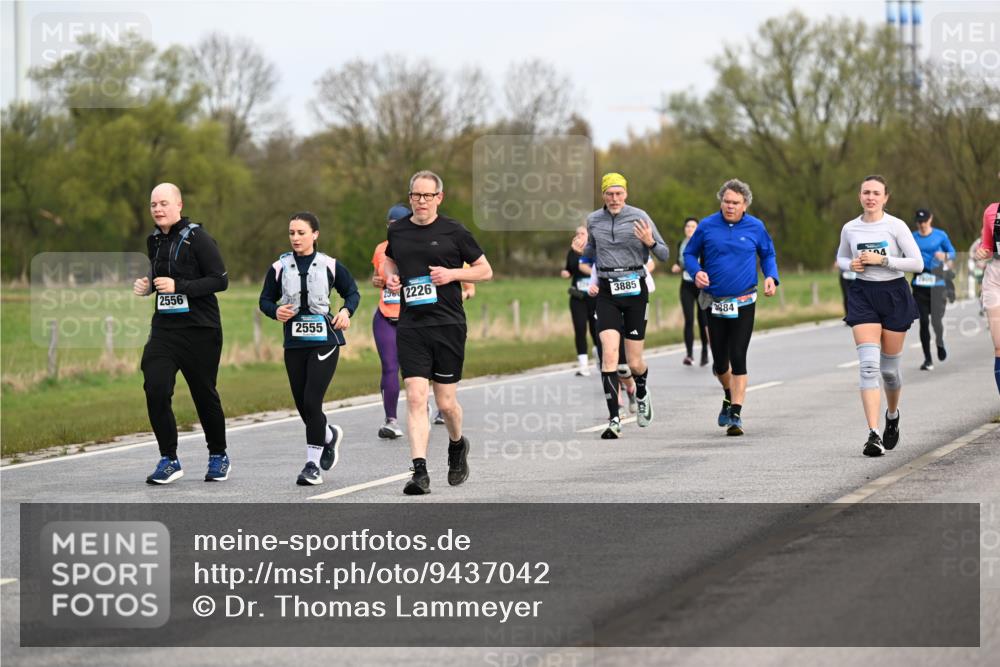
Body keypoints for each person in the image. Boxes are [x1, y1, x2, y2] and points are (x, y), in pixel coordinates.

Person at [382, 170, 493, 495]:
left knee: (446, 404)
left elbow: (485, 270)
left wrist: (452, 274)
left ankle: (457, 444)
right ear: (410, 198)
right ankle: (419, 472)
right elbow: (389, 261)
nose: (421, 201)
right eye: (416, 195)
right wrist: (390, 277)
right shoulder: (398, 231)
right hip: (411, 325)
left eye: (427, 196)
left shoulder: (454, 231)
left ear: (439, 198)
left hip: (447, 325)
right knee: (417, 397)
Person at [132, 183, 231, 484]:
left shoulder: (198, 238)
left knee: (204, 394)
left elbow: (220, 280)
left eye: (163, 203)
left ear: (179, 205)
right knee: (156, 388)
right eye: (153, 204)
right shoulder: (154, 240)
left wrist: (180, 287)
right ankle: (169, 459)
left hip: (200, 330)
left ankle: (218, 455)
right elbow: (159, 273)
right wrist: (147, 285)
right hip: (165, 330)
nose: (157, 209)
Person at [259, 212, 358, 485]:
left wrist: (346, 312)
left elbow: (352, 292)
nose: (295, 238)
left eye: (301, 233)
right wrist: (275, 311)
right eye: (291, 233)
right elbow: (265, 300)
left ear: (315, 235)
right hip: (294, 343)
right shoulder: (279, 267)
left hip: (325, 340)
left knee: (313, 401)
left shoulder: (329, 265)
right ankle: (328, 435)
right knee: (303, 404)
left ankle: (312, 465)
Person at [835, 175, 923, 456]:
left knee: (888, 371)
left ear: (885, 197)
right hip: (863, 295)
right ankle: (873, 434)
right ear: (860, 196)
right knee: (869, 367)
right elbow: (840, 258)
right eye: (866, 193)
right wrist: (851, 265)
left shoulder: (895, 226)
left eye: (876, 193)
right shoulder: (850, 228)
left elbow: (917, 263)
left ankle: (892, 415)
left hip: (894, 295)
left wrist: (883, 260)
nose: (870, 197)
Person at [684, 179, 779, 437]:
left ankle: (736, 413)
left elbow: (768, 254)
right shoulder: (707, 226)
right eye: (726, 201)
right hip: (714, 302)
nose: (730, 206)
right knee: (719, 363)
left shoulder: (756, 227)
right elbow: (689, 254)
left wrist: (771, 277)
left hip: (744, 300)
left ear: (744, 204)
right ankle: (728, 393)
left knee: (738, 355)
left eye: (735, 203)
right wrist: (696, 271)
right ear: (721, 201)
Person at [583, 172, 669, 439]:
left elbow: (664, 254)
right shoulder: (593, 220)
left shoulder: (639, 217)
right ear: (603, 195)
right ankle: (614, 419)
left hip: (635, 291)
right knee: (609, 356)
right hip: (607, 291)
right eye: (609, 194)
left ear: (626, 194)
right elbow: (590, 252)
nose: (614, 198)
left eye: (619, 193)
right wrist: (580, 249)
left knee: (634, 362)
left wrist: (650, 242)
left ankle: (641, 392)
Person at [371, 204, 411, 438]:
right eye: (390, 225)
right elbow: (378, 275)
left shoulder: (419, 247)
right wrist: (377, 280)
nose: (394, 229)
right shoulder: (381, 249)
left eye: (398, 225)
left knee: (414, 370)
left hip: (412, 318)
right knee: (389, 367)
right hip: (385, 316)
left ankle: (421, 405)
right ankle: (391, 421)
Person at [910, 208, 956, 370]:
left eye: (924, 221)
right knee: (923, 322)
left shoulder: (940, 235)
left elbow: (952, 252)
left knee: (936, 322)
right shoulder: (912, 237)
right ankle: (927, 359)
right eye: (919, 222)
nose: (922, 224)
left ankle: (940, 342)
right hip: (920, 284)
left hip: (937, 284)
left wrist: (945, 256)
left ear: (930, 219)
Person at [672, 217, 710, 366]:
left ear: (698, 229)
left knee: (702, 320)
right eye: (687, 226)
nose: (689, 229)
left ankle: (705, 352)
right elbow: (679, 261)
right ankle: (689, 355)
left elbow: (707, 263)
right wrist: (677, 266)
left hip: (701, 286)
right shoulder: (681, 244)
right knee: (688, 320)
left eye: (693, 226)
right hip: (686, 285)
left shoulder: (704, 244)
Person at [563, 226, 600, 376]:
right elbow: (569, 269)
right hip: (578, 297)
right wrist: (566, 272)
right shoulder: (572, 252)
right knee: (579, 329)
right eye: (577, 233)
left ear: (589, 235)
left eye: (582, 233)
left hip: (595, 297)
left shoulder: (595, 250)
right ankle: (583, 365)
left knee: (596, 330)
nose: (579, 236)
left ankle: (600, 356)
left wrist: (594, 273)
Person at [973, 201, 1000, 396]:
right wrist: (982, 252)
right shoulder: (992, 211)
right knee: (999, 346)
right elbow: (988, 246)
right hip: (995, 279)